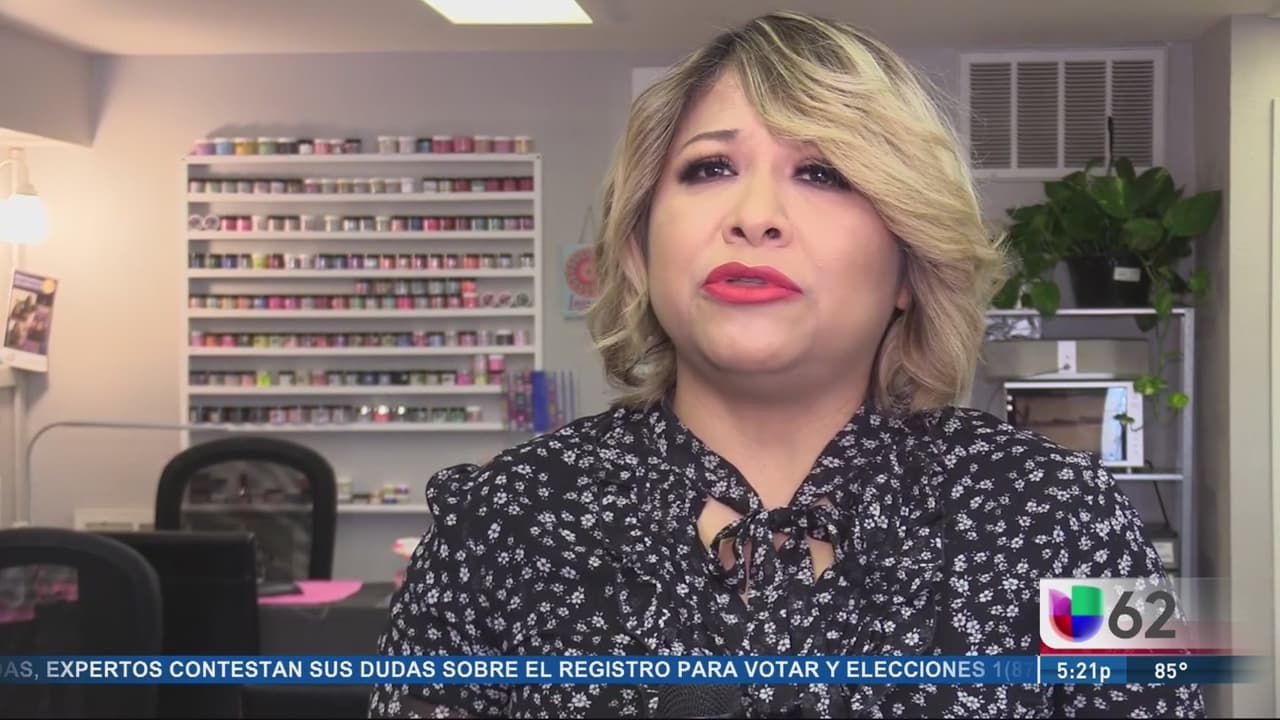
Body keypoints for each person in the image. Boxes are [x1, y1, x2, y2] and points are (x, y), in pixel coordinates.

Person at [370, 12, 1204, 718]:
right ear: (638, 250)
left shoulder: (1073, 517)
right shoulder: (499, 522)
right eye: (710, 168)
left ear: (910, 264)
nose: (756, 215)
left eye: (822, 172)